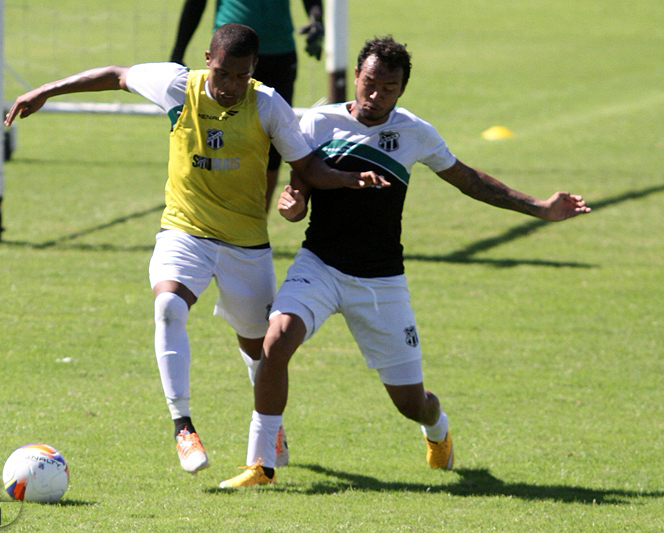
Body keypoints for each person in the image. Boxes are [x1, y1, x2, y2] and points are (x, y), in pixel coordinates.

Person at [4, 24, 386, 476]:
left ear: (254, 70)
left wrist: (344, 180)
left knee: (259, 349)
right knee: (168, 306)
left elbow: (307, 166)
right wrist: (46, 91)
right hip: (184, 230)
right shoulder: (177, 86)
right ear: (208, 60)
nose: (230, 86)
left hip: (245, 244)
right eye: (222, 73)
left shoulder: (268, 105)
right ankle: (183, 427)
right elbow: (116, 75)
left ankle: (271, 426)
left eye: (241, 76)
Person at [219, 36, 591, 488]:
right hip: (319, 265)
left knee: (411, 404)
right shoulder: (317, 122)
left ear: (402, 90)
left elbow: (469, 180)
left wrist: (539, 207)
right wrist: (293, 205)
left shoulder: (414, 132)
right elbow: (300, 192)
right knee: (275, 342)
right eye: (369, 83)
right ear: (356, 76)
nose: (376, 95)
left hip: (380, 283)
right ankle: (262, 463)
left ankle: (437, 428)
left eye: (388, 88)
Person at [170, 0, 324, 211]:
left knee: (273, 148)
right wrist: (178, 53)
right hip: (228, 54)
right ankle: (211, 214)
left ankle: (257, 218)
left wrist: (317, 20)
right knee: (219, 137)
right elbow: (195, 4)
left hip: (279, 54)